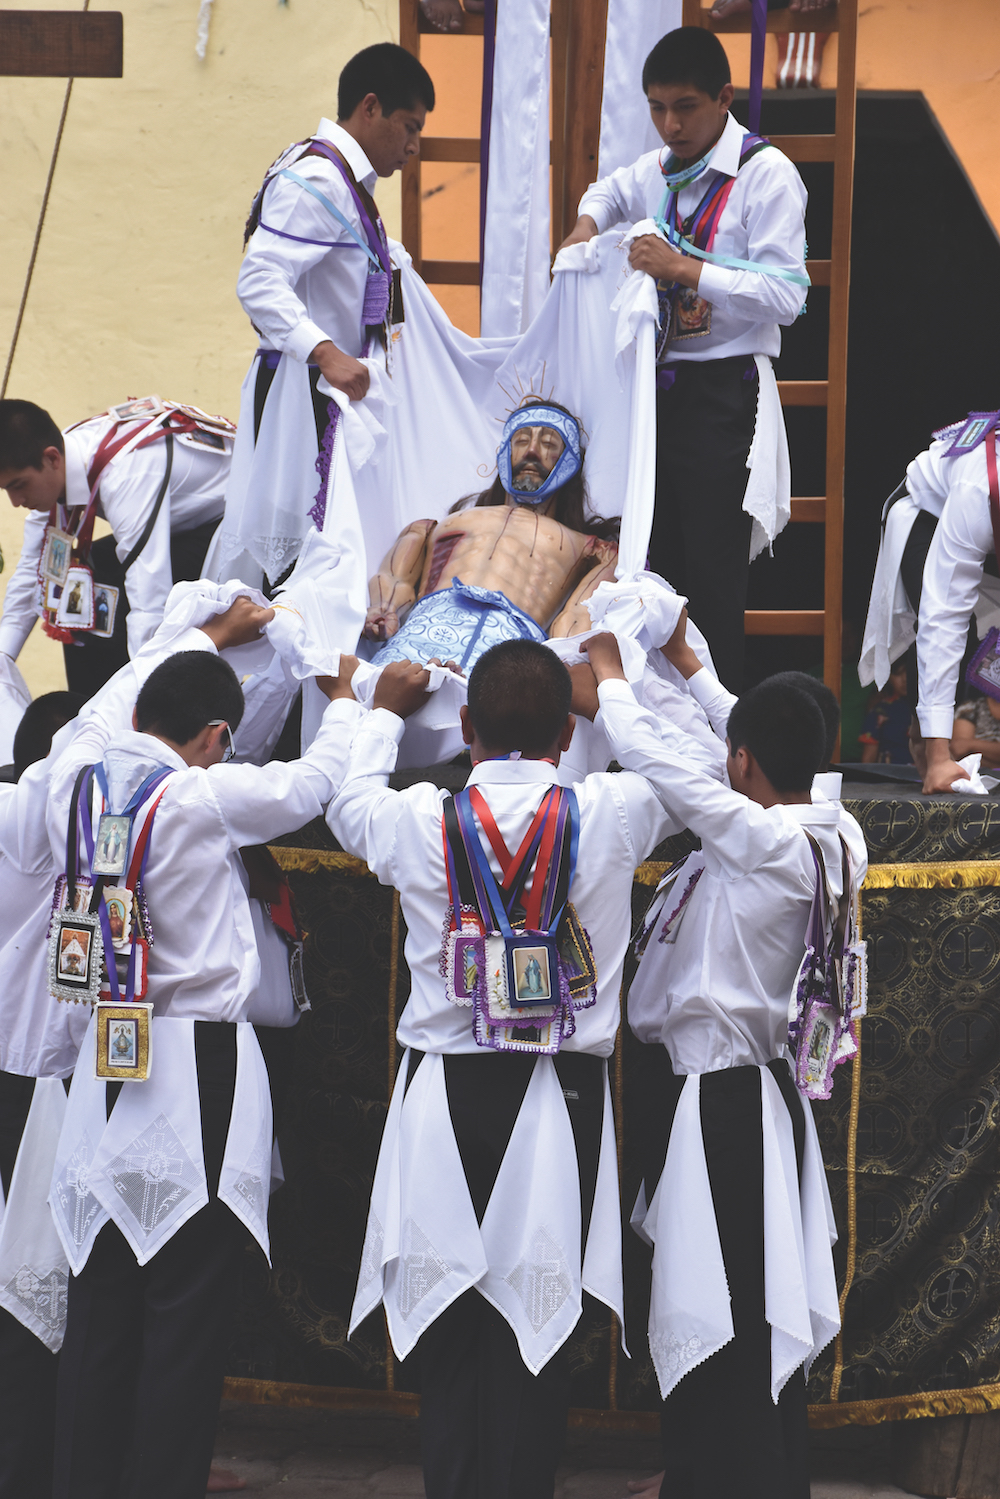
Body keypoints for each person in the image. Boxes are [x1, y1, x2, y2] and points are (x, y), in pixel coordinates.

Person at [326, 639, 681, 1499]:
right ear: (568, 729)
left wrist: (374, 709)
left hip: (444, 1085)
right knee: (538, 1328)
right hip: (559, 1088)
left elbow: (344, 799)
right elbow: (692, 767)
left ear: (464, 728)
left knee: (447, 1329)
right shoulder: (617, 808)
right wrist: (619, 698)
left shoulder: (415, 817)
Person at [43, 614, 357, 1499]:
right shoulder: (200, 795)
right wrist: (347, 703)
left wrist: (194, 632)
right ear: (217, 737)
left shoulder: (77, 779)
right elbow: (316, 783)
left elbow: (96, 721)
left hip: (105, 1057)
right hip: (195, 1064)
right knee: (184, 1318)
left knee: (100, 1309)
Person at [586, 632, 865, 1499]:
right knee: (735, 1297)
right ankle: (714, 1472)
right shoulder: (831, 827)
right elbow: (731, 748)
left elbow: (672, 769)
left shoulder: (767, 842)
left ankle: (734, 1481)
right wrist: (696, 669)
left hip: (728, 1097)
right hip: (747, 1092)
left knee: (730, 1308)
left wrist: (610, 683)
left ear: (744, 762)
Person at [558, 27, 808, 690]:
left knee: (712, 569)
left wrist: (686, 270)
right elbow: (608, 193)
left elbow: (787, 295)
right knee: (646, 558)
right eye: (657, 107)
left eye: (686, 107)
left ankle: (721, 732)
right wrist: (586, 226)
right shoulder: (659, 168)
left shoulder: (767, 176)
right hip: (651, 392)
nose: (670, 124)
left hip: (726, 391)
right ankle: (652, 723)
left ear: (724, 98)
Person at [209, 43, 435, 590]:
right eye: (409, 126)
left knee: (319, 560)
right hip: (303, 394)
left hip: (324, 393)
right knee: (292, 568)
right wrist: (326, 352)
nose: (413, 146)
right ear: (371, 107)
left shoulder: (342, 179)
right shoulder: (321, 179)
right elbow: (259, 281)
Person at [0, 398, 233, 700]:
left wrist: (140, 699)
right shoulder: (62, 456)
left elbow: (149, 599)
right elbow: (32, 575)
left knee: (104, 587)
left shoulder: (124, 475)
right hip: (178, 523)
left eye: (19, 485)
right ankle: (85, 709)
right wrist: (3, 660)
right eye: (6, 489)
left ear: (52, 459)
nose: (15, 501)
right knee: (77, 588)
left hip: (229, 524)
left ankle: (130, 707)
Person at [364, 398, 618, 673]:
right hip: (421, 633)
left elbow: (577, 618)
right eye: (521, 440)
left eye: (548, 444)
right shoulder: (439, 526)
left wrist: (560, 664)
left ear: (570, 461)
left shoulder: (590, 548)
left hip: (509, 653)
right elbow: (395, 578)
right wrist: (383, 610)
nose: (531, 451)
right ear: (504, 453)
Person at [859, 413, 1000, 793]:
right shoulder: (979, 487)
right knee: (960, 630)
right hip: (929, 514)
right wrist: (940, 754)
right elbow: (943, 616)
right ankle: (928, 744)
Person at [859, 662, 912, 765]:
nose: (905, 679)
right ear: (888, 677)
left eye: (909, 672)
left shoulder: (930, 708)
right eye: (897, 674)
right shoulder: (881, 710)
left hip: (924, 775)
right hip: (889, 775)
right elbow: (868, 758)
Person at [952, 691, 1000, 769]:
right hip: (971, 775)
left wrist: (971, 745)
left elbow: (965, 746)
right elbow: (958, 748)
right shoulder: (970, 707)